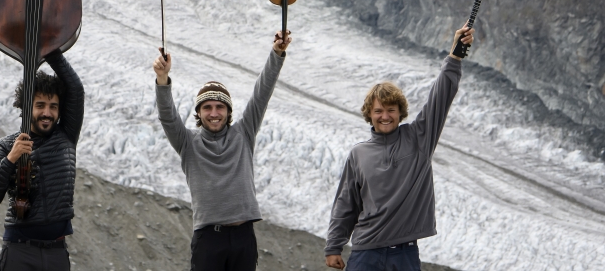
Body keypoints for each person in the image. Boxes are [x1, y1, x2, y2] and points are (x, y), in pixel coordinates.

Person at [324, 24, 474, 271]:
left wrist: (455, 55)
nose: (385, 116)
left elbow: (441, 97)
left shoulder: (419, 139)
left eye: (391, 110)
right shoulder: (359, 154)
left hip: (404, 255)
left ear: (400, 112)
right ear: (369, 114)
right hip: (365, 253)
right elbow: (346, 203)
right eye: (378, 111)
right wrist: (333, 246)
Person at [153, 29, 291, 271]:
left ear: (228, 111)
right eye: (207, 107)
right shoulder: (188, 143)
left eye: (220, 107)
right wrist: (162, 79)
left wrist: (277, 54)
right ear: (199, 112)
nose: (214, 113)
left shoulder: (244, 133)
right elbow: (167, 116)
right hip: (208, 239)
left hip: (243, 237)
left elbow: (262, 93)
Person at [0, 49, 84, 270]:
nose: (47, 113)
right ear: (26, 107)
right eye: (40, 105)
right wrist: (11, 158)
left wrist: (50, 49)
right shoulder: (5, 146)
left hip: (57, 252)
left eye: (53, 106)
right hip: (19, 251)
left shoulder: (66, 134)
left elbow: (75, 89)